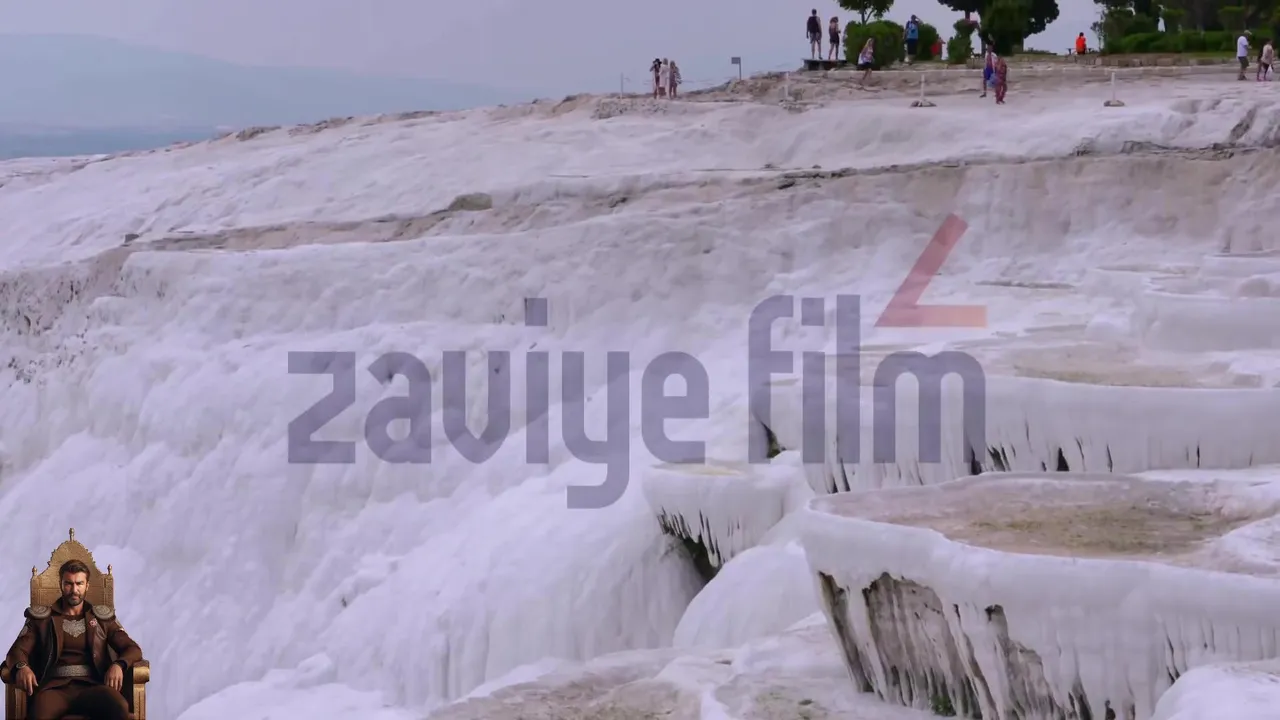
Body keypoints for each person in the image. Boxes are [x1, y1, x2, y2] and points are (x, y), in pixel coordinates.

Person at [5, 559, 143, 720]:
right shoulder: (42, 619)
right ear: (61, 584)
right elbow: (17, 651)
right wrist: (22, 667)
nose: (74, 590)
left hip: (93, 687)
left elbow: (132, 649)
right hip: (54, 689)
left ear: (87, 586)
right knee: (38, 716)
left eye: (79, 584)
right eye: (68, 584)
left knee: (119, 707)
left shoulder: (102, 619)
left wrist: (119, 664)